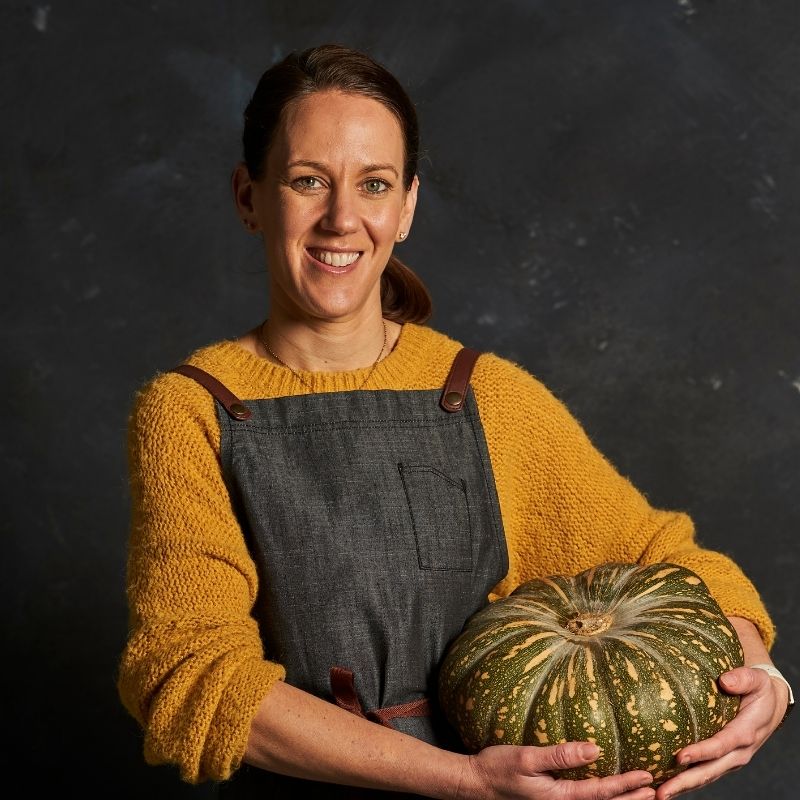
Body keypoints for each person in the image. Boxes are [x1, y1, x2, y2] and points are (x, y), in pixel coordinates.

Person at [117, 43, 792, 800]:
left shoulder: (481, 393)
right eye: (309, 181)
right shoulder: (191, 410)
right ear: (249, 196)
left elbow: (658, 558)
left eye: (373, 185)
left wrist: (761, 673)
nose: (343, 219)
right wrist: (463, 779)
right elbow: (191, 675)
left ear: (405, 207)